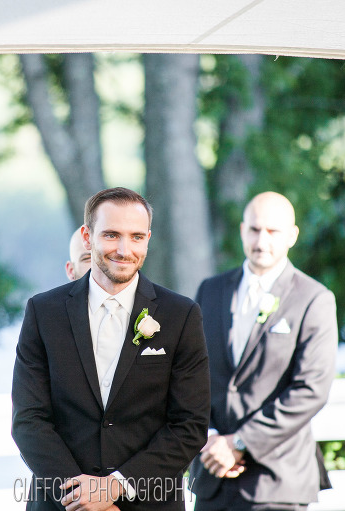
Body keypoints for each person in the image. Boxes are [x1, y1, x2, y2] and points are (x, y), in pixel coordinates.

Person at [12, 187, 210, 511]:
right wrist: (81, 496)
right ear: (87, 237)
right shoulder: (43, 312)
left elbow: (189, 425)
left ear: (148, 239)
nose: (123, 249)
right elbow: (28, 420)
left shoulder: (181, 315)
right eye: (111, 235)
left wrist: (114, 488)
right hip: (62, 503)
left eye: (136, 237)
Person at [189, 191, 337, 511]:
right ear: (243, 230)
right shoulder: (210, 290)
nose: (261, 241)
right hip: (212, 473)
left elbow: (311, 389)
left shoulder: (314, 298)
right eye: (255, 230)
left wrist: (241, 442)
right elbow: (190, 373)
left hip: (276, 480)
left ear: (292, 236)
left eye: (273, 231)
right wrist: (209, 436)